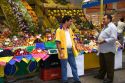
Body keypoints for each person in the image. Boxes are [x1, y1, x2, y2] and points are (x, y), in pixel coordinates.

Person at [55, 15, 81, 83]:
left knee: (74, 66)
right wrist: (60, 52)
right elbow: (57, 42)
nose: (71, 23)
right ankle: (64, 80)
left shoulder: (70, 29)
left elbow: (73, 37)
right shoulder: (59, 30)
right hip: (63, 51)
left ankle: (77, 80)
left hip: (71, 50)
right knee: (64, 67)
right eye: (70, 21)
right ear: (66, 21)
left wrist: (76, 44)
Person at [94, 14, 117, 83]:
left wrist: (103, 41)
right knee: (102, 64)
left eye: (104, 19)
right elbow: (103, 35)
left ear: (109, 19)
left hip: (109, 50)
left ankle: (110, 78)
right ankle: (101, 75)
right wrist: (97, 37)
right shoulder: (105, 26)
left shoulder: (112, 27)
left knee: (109, 65)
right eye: (103, 19)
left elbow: (113, 38)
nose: (103, 20)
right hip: (102, 49)